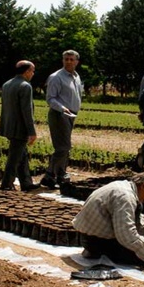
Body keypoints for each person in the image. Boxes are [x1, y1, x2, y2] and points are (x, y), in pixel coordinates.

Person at [73, 171, 144, 267]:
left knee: (140, 246)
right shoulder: (125, 197)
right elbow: (126, 234)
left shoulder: (124, 186)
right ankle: (98, 251)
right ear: (143, 186)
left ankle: (94, 250)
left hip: (87, 237)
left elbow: (132, 214)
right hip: (97, 241)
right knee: (142, 256)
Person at [40, 50, 84, 189]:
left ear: (77, 61)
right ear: (62, 60)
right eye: (66, 59)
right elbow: (50, 98)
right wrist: (62, 108)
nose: (68, 61)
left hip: (71, 115)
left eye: (71, 59)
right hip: (60, 114)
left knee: (65, 147)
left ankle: (60, 174)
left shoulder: (76, 76)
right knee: (63, 147)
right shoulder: (56, 77)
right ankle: (49, 175)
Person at [0, 60, 39, 191]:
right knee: (14, 158)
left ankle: (26, 183)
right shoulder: (25, 86)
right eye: (32, 71)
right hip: (19, 128)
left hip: (8, 125)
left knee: (22, 155)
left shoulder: (7, 84)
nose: (33, 74)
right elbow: (27, 111)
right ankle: (6, 184)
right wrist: (32, 131)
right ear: (27, 71)